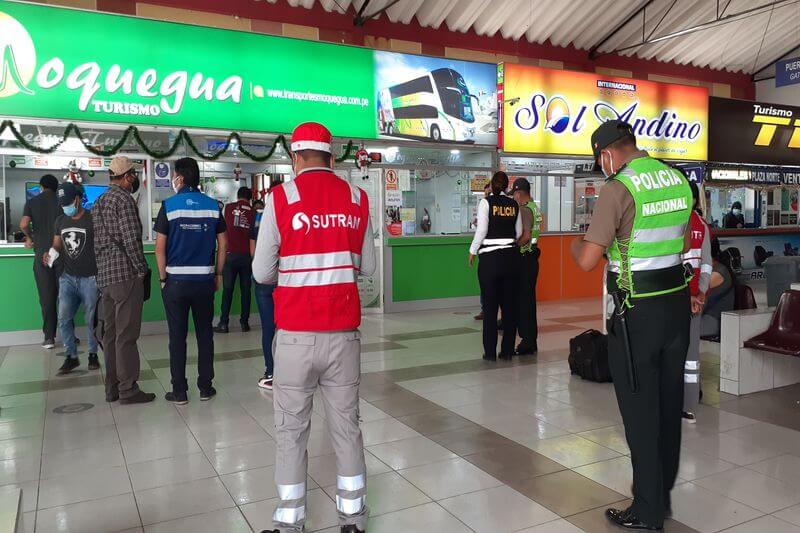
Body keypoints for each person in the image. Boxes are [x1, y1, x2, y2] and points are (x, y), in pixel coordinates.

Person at [253, 122, 375, 533]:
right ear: (332, 155)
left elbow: (262, 271)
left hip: (294, 339)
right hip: (343, 338)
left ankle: (289, 523)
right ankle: (353, 520)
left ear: (295, 155)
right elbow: (369, 268)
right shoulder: (358, 198)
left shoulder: (282, 198)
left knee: (291, 432)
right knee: (346, 428)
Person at [570, 120, 692, 531]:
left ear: (606, 154)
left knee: (640, 415)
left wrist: (576, 243)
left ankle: (647, 511)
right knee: (667, 407)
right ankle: (661, 498)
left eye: (599, 160)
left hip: (635, 314)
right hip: (675, 309)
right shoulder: (677, 180)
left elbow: (588, 258)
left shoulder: (619, 188)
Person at [155, 157, 227, 404]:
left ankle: (180, 391)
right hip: (204, 281)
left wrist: (163, 278)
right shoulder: (212, 205)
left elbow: (159, 248)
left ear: (180, 177)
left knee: (177, 337)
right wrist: (218, 273)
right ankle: (206, 387)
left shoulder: (169, 205)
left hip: (175, 282)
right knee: (205, 334)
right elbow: (224, 243)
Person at [93, 156, 155, 404]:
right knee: (126, 335)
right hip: (125, 277)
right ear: (127, 176)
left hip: (105, 279)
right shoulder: (124, 200)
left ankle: (112, 388)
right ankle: (128, 389)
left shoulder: (97, 203)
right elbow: (131, 240)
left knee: (110, 335)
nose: (135, 180)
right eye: (134, 175)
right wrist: (141, 270)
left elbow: (96, 245)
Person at [44, 183, 100, 374]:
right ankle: (71, 356)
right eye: (62, 204)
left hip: (91, 278)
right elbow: (57, 245)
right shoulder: (60, 221)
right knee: (63, 318)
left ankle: (93, 354)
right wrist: (50, 254)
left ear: (77, 200)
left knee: (91, 318)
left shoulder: (92, 220)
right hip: (67, 278)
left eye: (68, 203)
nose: (65, 207)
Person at [469, 171, 521, 361]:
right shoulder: (514, 204)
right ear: (507, 186)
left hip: (490, 261)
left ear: (491, 185)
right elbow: (519, 231)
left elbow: (482, 229)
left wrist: (473, 250)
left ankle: (489, 352)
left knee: (490, 309)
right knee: (509, 308)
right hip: (510, 260)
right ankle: (507, 350)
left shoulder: (486, 203)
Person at [681, 181, 712, 423]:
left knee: (684, 354)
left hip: (679, 299)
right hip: (693, 300)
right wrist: (700, 294)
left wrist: (696, 295)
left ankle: (686, 403)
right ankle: (689, 404)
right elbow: (708, 266)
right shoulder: (702, 226)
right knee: (691, 353)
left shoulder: (674, 223)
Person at [19, 174, 61, 349]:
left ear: (42, 186)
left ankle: (49, 338)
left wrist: (30, 237)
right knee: (66, 296)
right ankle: (69, 336)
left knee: (46, 297)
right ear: (56, 188)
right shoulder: (61, 202)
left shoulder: (32, 202)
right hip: (61, 254)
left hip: (42, 255)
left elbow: (23, 224)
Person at [214, 186, 256, 334]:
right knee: (246, 291)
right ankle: (245, 323)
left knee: (228, 290)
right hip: (247, 257)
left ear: (238, 196)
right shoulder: (254, 212)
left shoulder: (229, 207)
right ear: (249, 198)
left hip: (230, 255)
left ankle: (223, 323)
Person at [510, 177, 542, 355]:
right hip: (532, 258)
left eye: (514, 193)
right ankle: (530, 340)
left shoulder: (523, 210)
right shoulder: (534, 208)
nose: (513, 197)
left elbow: (526, 236)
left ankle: (527, 341)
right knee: (528, 301)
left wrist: (513, 245)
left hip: (524, 260)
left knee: (524, 303)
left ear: (519, 193)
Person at [251, 194, 275, 390]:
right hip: (284, 278)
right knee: (288, 327)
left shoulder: (260, 217)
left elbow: (252, 245)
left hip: (263, 279)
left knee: (268, 328)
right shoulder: (287, 214)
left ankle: (271, 371)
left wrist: (257, 265)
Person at [701, 237, 736, 337]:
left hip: (713, 321)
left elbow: (694, 292)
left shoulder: (718, 273)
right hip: (701, 317)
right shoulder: (703, 270)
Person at [474, 182, 492, 321]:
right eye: (485, 193)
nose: (486, 196)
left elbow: (483, 229)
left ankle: (489, 310)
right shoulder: (484, 206)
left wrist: (473, 250)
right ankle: (485, 309)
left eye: (488, 193)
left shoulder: (493, 207)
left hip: (491, 251)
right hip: (485, 251)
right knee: (484, 283)